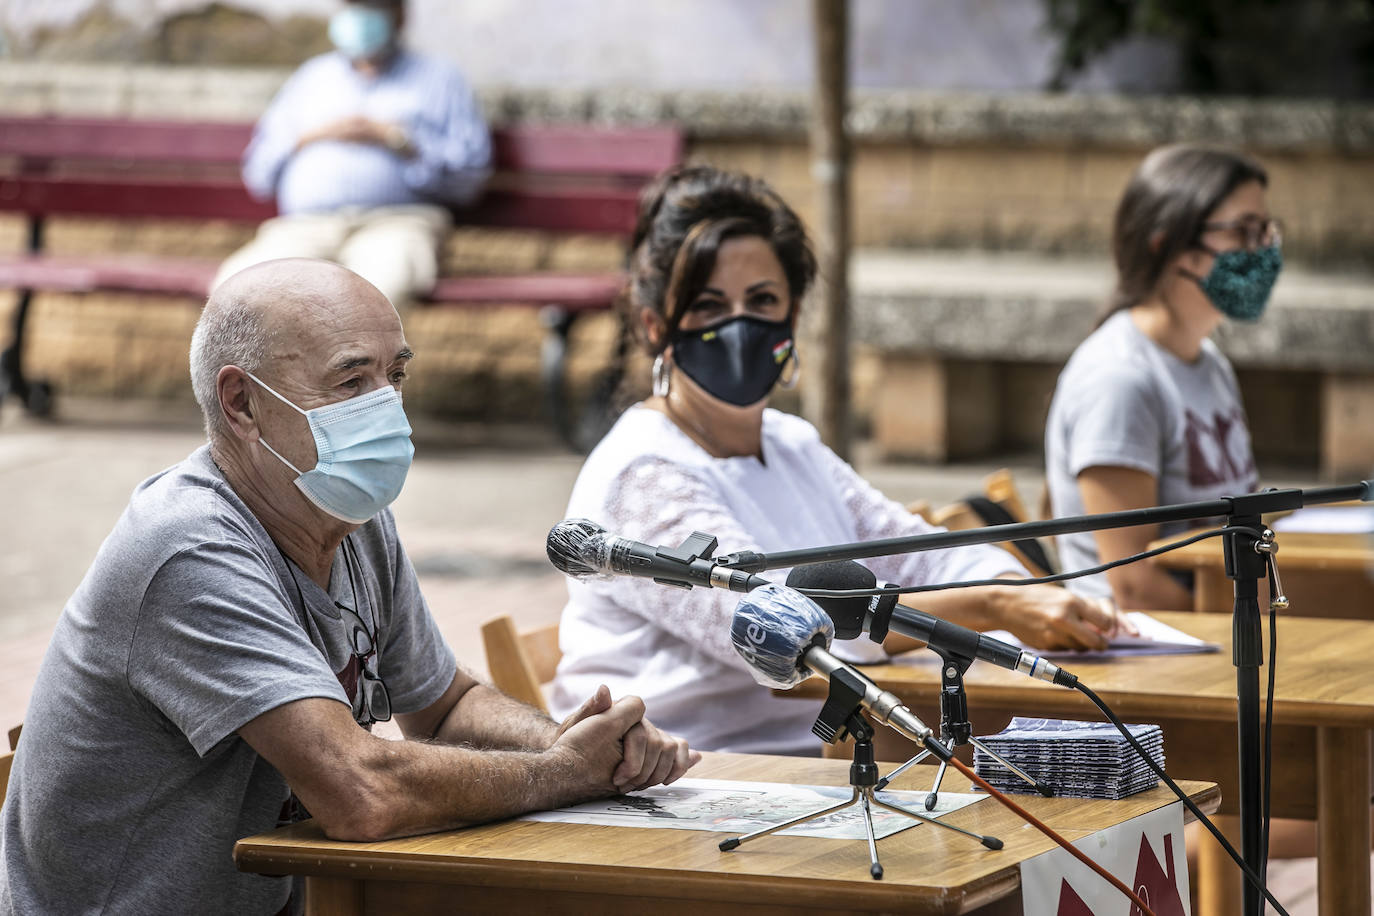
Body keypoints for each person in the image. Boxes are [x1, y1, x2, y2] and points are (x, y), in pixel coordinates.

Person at [0, 259, 697, 915]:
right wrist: (560, 774)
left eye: (395, 375)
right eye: (351, 382)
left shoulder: (348, 515)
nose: (387, 407)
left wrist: (574, 745)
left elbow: (447, 707)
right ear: (241, 403)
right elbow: (360, 793)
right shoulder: (189, 550)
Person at [548, 166, 1127, 756]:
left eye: (763, 301)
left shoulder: (790, 442)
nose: (739, 325)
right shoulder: (640, 476)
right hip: (700, 778)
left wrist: (1012, 586)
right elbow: (779, 630)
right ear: (656, 326)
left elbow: (914, 548)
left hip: (834, 756)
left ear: (792, 317)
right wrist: (993, 605)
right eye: (710, 306)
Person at [1045, 144, 1278, 609]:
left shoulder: (1209, 363)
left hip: (1226, 625)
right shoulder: (1119, 379)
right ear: (1167, 245)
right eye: (1241, 233)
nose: (1262, 252)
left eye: (1266, 231)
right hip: (1154, 651)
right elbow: (1132, 584)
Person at [213, 0, 491, 309]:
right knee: (236, 292)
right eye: (352, 8)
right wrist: (310, 138)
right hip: (305, 227)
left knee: (370, 304)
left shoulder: (441, 79)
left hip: (396, 225)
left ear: (398, 16)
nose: (359, 21)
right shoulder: (311, 78)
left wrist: (395, 140)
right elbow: (259, 173)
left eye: (371, 9)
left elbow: (469, 177)